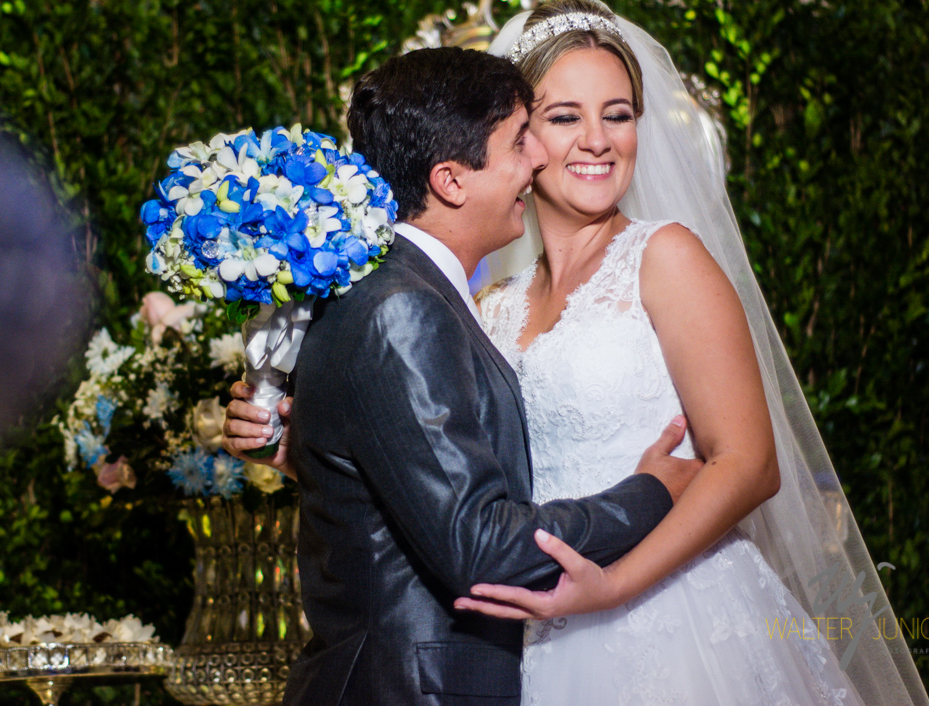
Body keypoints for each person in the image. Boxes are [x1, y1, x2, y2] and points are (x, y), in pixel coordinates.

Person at [229, 0, 929, 706]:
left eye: (618, 114)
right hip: (524, 631)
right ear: (517, 138)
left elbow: (748, 464)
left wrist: (614, 587)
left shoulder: (667, 258)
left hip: (669, 612)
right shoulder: (487, 304)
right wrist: (312, 440)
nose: (597, 140)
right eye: (564, 117)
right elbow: (441, 472)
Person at [225, 45, 703, 706]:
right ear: (451, 180)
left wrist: (299, 447)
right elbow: (479, 545)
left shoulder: (410, 294)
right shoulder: (404, 309)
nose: (537, 160)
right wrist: (650, 492)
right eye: (518, 142)